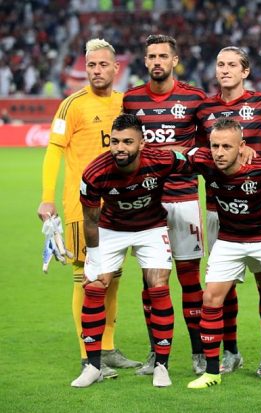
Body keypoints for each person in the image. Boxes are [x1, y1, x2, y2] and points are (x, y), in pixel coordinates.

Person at [37, 38, 140, 379]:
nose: (96, 70)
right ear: (86, 69)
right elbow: (54, 151)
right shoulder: (72, 105)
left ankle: (107, 348)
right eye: (91, 65)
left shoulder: (125, 104)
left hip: (119, 205)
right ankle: (87, 355)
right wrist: (46, 197)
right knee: (86, 278)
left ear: (116, 68)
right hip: (83, 206)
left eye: (102, 64)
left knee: (112, 278)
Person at [185, 118, 261, 394]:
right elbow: (177, 154)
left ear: (242, 147)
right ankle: (212, 371)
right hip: (230, 238)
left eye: (227, 146)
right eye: (215, 145)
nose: (219, 152)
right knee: (211, 298)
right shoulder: (204, 161)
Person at [72, 113, 188, 388]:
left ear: (142, 144)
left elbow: (190, 156)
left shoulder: (160, 160)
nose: (119, 148)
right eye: (114, 141)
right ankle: (93, 366)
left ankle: (161, 365)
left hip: (151, 227)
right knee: (95, 288)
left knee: (158, 286)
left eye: (127, 142)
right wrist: (97, 263)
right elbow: (90, 220)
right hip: (111, 229)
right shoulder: (94, 172)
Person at [123, 34, 207, 376]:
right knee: (151, 283)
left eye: (163, 56)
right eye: (151, 56)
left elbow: (205, 148)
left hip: (184, 200)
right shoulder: (131, 100)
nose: (157, 61)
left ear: (175, 61)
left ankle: (200, 352)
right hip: (147, 204)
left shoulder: (194, 98)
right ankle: (156, 354)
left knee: (189, 281)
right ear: (145, 61)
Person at [199, 46, 261, 377]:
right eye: (220, 64)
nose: (225, 69)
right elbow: (196, 150)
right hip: (218, 209)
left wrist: (259, 160)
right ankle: (229, 351)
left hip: (260, 210)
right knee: (223, 286)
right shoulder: (204, 108)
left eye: (232, 65)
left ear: (245, 71)